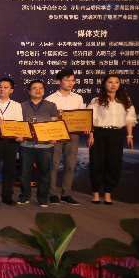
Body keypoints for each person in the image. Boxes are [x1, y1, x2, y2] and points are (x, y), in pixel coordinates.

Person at [87, 74, 137, 205]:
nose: (113, 85)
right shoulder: (97, 100)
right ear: (105, 84)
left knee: (113, 163)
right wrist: (91, 135)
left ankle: (108, 192)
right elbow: (90, 118)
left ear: (119, 85)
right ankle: (95, 193)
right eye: (110, 82)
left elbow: (130, 119)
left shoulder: (125, 100)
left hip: (116, 134)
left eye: (116, 82)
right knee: (97, 163)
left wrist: (129, 135)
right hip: (99, 133)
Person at [46, 69, 86, 205]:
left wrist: (85, 125)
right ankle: (52, 193)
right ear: (59, 81)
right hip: (56, 134)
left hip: (73, 134)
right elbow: (48, 119)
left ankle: (66, 194)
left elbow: (82, 116)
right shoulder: (50, 99)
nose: (70, 83)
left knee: (70, 165)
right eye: (67, 80)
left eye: (72, 80)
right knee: (54, 165)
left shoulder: (78, 98)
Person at [19, 80, 59, 207]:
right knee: (25, 172)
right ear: (29, 91)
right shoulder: (21, 106)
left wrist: (54, 136)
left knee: (45, 172)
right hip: (26, 144)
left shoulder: (51, 106)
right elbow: (18, 124)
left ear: (44, 90)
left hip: (45, 145)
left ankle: (42, 198)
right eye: (34, 88)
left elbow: (54, 123)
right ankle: (24, 196)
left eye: (41, 88)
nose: (38, 90)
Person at [0, 77, 23, 205]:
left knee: (10, 169)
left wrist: (20, 136)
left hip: (11, 140)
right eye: (0, 87)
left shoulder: (16, 105)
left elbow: (19, 124)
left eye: (6, 87)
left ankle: (7, 196)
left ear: (11, 90)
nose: (2, 89)